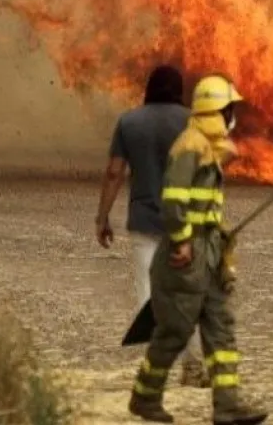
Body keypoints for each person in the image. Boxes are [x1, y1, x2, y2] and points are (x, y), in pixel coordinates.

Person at [127, 74, 268, 425]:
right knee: (174, 331)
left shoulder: (207, 146)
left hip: (209, 252)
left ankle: (227, 405)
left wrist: (217, 240)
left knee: (221, 327)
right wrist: (182, 240)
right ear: (218, 111)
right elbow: (173, 200)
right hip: (186, 257)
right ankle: (145, 397)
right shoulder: (190, 146)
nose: (233, 117)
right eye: (230, 110)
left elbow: (208, 195)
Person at [94, 65, 208, 387]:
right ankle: (193, 365)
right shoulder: (194, 123)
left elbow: (114, 173)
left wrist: (102, 217)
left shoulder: (129, 122)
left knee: (149, 295)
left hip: (144, 222)